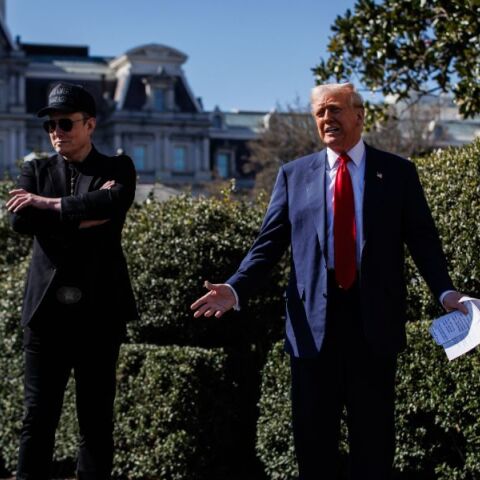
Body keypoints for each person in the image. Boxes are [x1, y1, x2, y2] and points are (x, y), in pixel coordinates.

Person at [191, 82, 468, 479]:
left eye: (335, 109)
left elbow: (423, 239)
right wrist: (235, 287)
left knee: (373, 444)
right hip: (312, 327)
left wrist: (445, 291)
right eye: (320, 112)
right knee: (313, 444)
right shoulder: (294, 175)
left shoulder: (397, 173)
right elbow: (268, 244)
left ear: (359, 115)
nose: (326, 118)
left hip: (373, 325)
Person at [6, 82, 138, 480]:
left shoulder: (118, 169)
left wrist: (47, 205)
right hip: (46, 314)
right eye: (51, 125)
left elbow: (114, 203)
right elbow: (19, 221)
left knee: (95, 421)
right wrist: (83, 217)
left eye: (65, 123)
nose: (56, 132)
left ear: (90, 124)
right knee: (37, 418)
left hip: (100, 311)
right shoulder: (35, 170)